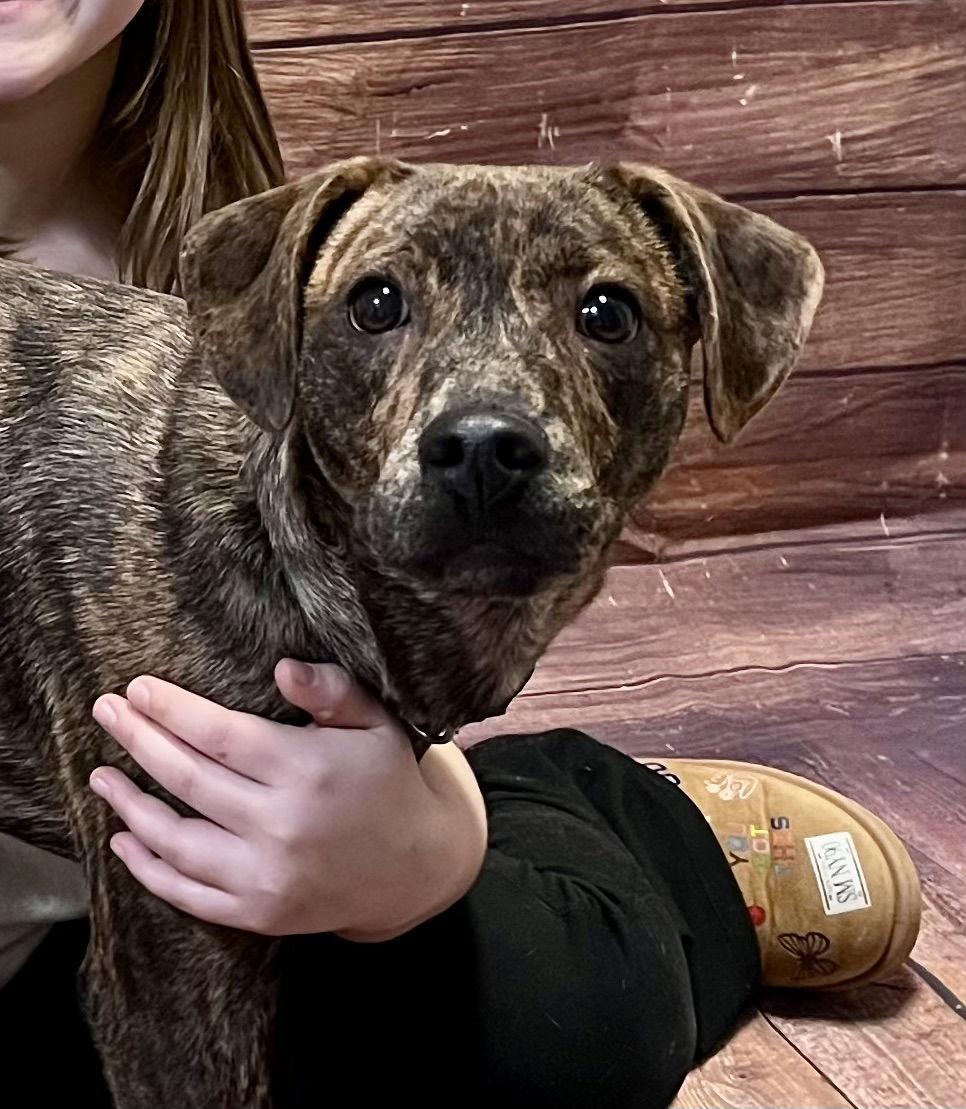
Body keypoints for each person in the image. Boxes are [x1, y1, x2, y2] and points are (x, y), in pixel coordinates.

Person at [0, 4, 921, 1107]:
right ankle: (584, 807)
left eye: (606, 313)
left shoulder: (238, 221)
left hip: (251, 833)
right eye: (382, 307)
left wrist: (424, 848)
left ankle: (604, 823)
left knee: (575, 1016)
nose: (481, 424)